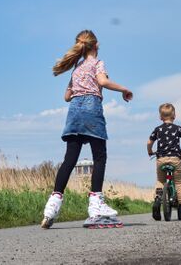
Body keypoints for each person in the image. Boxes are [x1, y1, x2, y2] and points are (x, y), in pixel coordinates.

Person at [41, 30, 133, 229]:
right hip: (91, 110)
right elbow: (102, 82)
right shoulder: (98, 63)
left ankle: (52, 207)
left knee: (70, 159)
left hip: (73, 111)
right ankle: (96, 204)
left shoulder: (77, 66)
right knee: (99, 156)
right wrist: (124, 89)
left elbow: (67, 96)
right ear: (96, 44)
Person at [147, 103, 181, 221]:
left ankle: (158, 200)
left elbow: (149, 142)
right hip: (175, 159)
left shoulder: (158, 129)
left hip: (161, 159)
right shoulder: (178, 129)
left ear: (160, 117)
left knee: (160, 180)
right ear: (174, 115)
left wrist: (150, 152)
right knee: (179, 183)